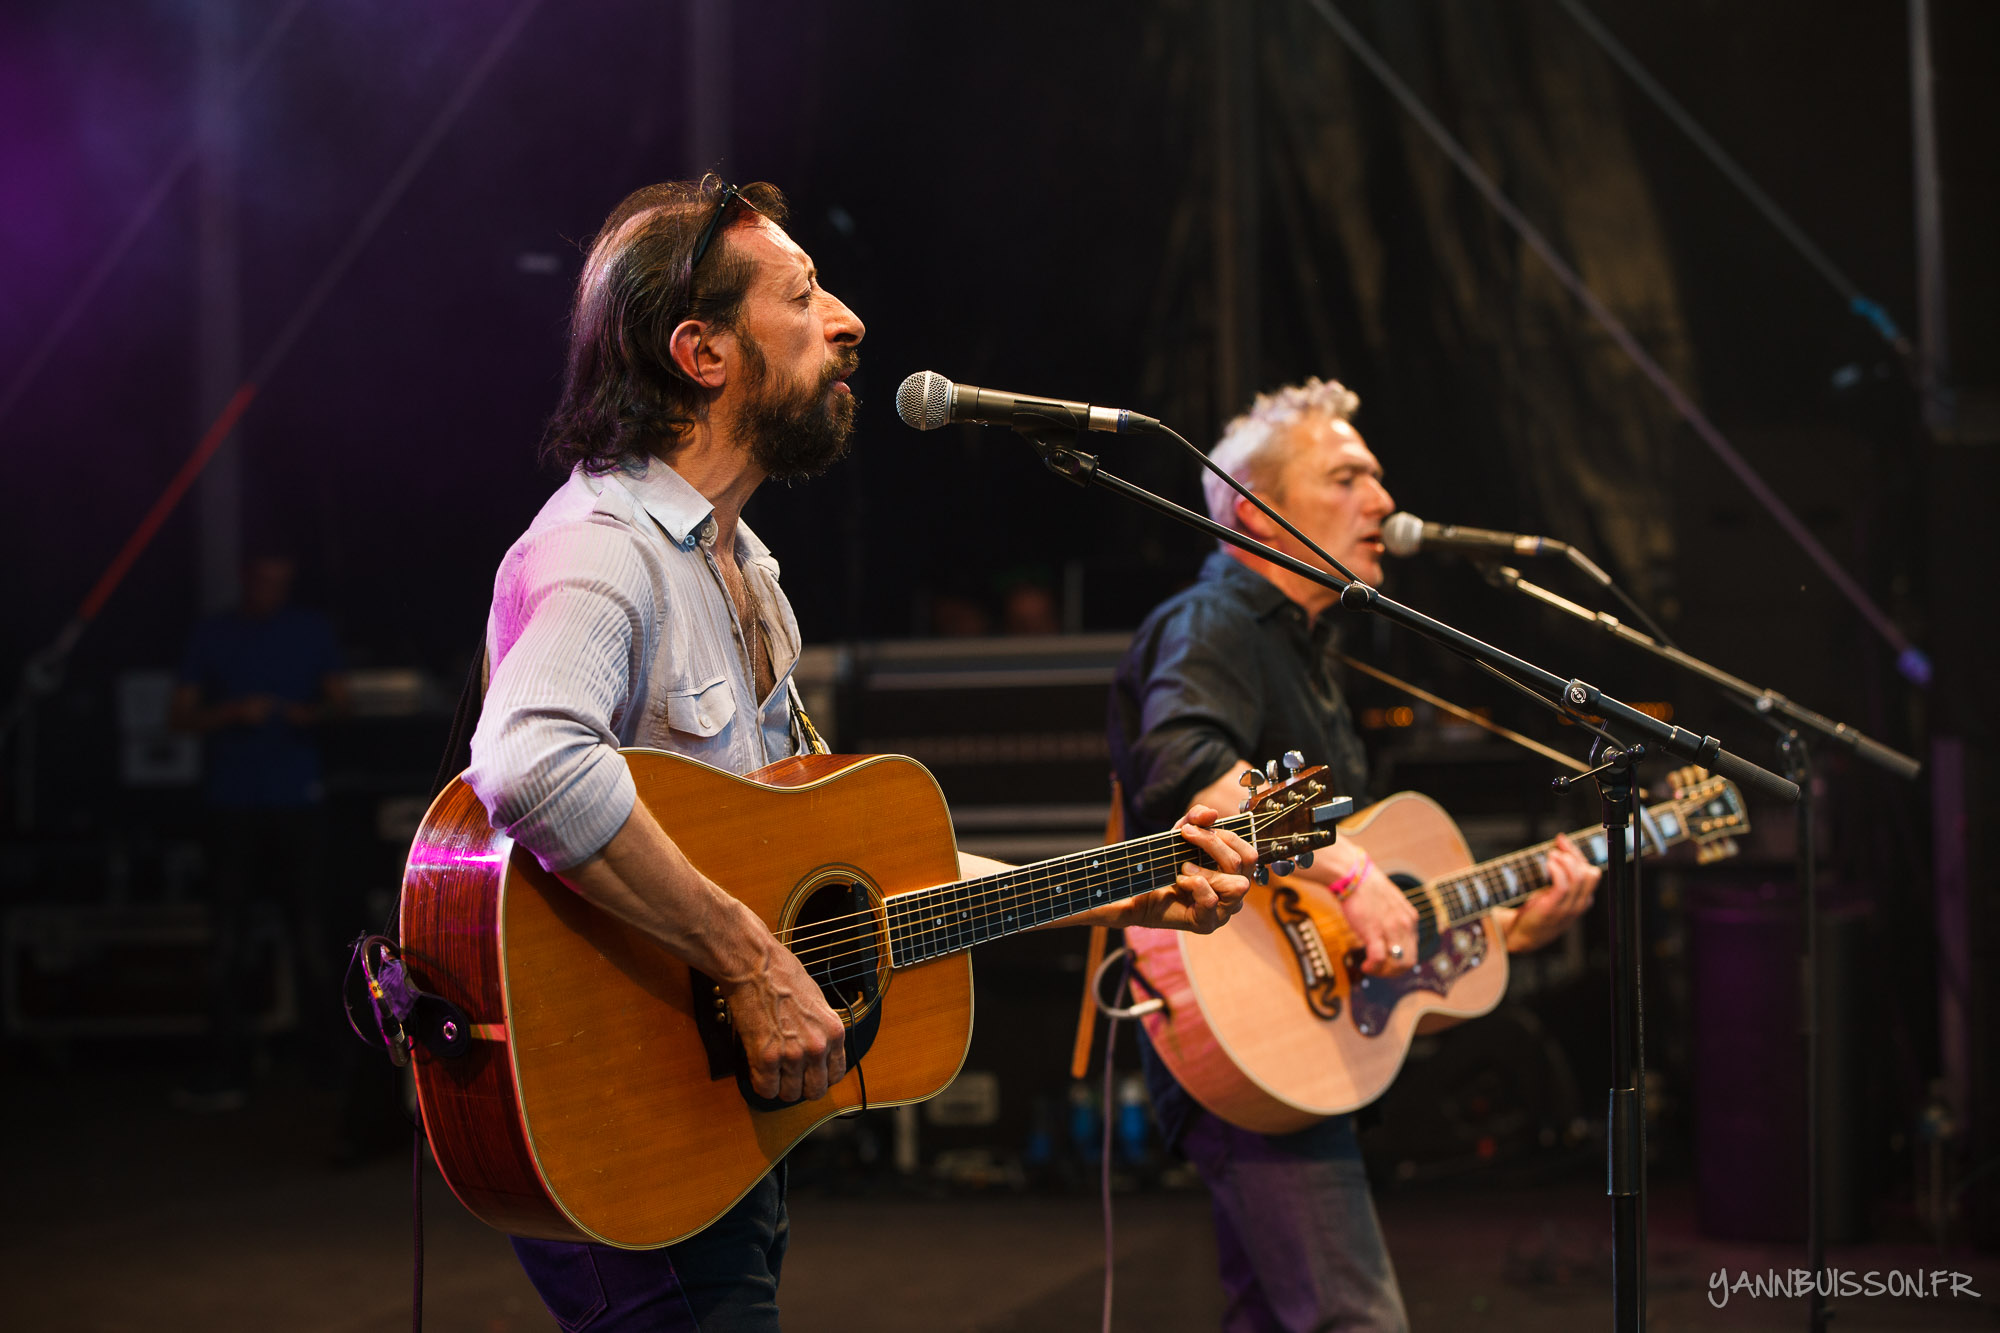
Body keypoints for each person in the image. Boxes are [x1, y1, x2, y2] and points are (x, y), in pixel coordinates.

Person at [463, 177, 1254, 1332]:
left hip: (714, 1117)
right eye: (802, 296)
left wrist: (1128, 884)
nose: (848, 320)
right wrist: (751, 961)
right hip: (614, 1112)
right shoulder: (600, 550)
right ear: (702, 352)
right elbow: (528, 762)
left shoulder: (748, 572)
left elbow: (855, 881)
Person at [1108, 378, 1602, 1332]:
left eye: (1376, 477)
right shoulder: (1216, 624)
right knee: (1355, 1320)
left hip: (1293, 1033)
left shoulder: (1309, 653)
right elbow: (1192, 771)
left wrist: (1510, 925)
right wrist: (1349, 871)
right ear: (1258, 512)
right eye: (1347, 477)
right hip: (1237, 1019)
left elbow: (1368, 906)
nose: (1382, 500)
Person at [172, 552, 349, 1108]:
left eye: (282, 581)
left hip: (298, 802)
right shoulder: (214, 633)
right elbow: (179, 716)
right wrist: (232, 713)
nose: (272, 589)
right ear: (247, 578)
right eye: (263, 580)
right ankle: (227, 1068)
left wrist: (309, 715)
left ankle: (327, 1068)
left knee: (313, 937)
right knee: (228, 941)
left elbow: (342, 704)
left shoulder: (310, 630)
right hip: (231, 806)